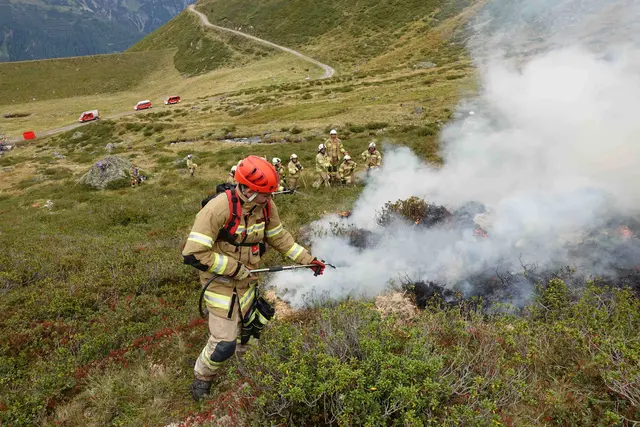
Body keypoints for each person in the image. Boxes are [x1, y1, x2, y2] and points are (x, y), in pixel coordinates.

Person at [182, 155, 326, 400]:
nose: (269, 198)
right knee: (224, 343)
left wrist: (307, 259)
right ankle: (202, 378)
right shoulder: (218, 209)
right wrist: (234, 268)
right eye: (264, 193)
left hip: (248, 283)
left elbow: (279, 238)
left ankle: (248, 377)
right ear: (247, 189)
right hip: (219, 284)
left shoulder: (267, 207)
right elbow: (193, 253)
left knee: (249, 334)